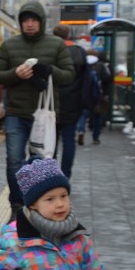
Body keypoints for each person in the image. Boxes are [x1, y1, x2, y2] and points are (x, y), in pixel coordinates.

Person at [0, 1, 75, 219]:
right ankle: (18, 206)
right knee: (14, 161)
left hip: (45, 117)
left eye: (33, 20)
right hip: (16, 113)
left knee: (44, 163)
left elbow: (69, 75)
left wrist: (50, 71)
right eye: (25, 21)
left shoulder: (56, 44)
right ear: (21, 23)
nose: (29, 25)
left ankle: (40, 208)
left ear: (41, 22)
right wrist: (15, 74)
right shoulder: (9, 45)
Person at [51, 25, 86, 178]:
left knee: (51, 141)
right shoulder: (79, 52)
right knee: (68, 140)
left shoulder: (51, 51)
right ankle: (65, 176)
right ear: (69, 36)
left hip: (52, 102)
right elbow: (86, 79)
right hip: (73, 102)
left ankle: (51, 175)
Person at [77, 51, 112, 145]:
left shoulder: (82, 65)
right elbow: (107, 78)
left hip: (84, 95)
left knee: (83, 115)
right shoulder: (101, 66)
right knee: (97, 116)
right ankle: (95, 137)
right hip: (97, 96)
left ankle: (81, 131)